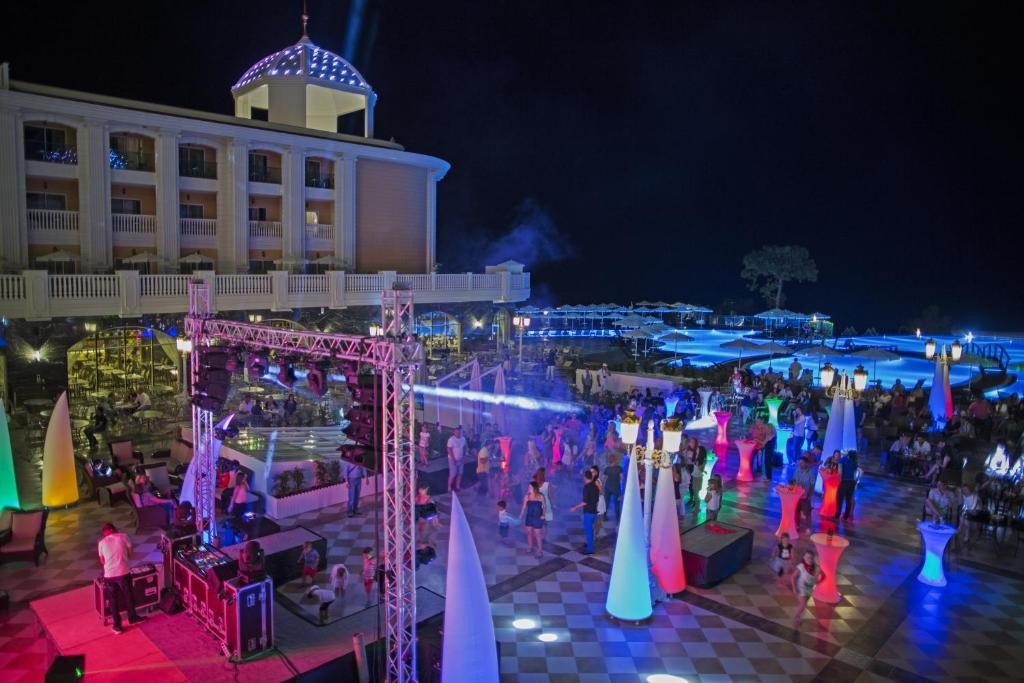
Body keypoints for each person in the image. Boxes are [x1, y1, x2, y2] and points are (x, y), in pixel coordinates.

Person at [97, 522, 144, 635]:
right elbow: (130, 554)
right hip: (123, 572)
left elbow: (102, 561)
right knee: (129, 596)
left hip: (109, 575)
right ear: (114, 529)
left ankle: (117, 626)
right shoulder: (124, 536)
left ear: (104, 533)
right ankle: (133, 617)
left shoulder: (101, 542)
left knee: (113, 601)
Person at [791, 550, 825, 628]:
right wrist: (794, 588)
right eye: (807, 557)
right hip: (801, 588)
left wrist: (818, 582)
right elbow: (793, 577)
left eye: (810, 558)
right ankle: (796, 618)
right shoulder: (801, 566)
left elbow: (823, 575)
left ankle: (798, 617)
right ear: (804, 557)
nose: (809, 559)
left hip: (810, 589)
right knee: (803, 604)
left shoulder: (816, 567)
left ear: (813, 558)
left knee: (803, 605)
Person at [570, 469, 601, 555]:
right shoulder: (595, 486)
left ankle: (590, 550)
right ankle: (589, 545)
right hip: (594, 511)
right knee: (591, 530)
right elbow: (597, 499)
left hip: (588, 512)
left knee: (588, 531)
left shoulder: (586, 487)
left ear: (585, 477)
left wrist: (575, 508)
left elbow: (585, 502)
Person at [520, 481, 546, 559]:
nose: (528, 489)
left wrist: (543, 515)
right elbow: (524, 507)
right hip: (529, 517)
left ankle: (540, 550)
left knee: (537, 534)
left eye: (530, 487)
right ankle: (530, 546)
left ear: (535, 488)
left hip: (538, 518)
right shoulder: (527, 496)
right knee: (528, 533)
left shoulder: (540, 496)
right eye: (528, 487)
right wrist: (520, 516)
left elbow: (544, 506)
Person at [793, 457, 816, 532]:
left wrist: (810, 495)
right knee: (796, 511)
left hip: (805, 495)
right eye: (800, 463)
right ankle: (797, 525)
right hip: (796, 495)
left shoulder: (811, 473)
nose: (800, 464)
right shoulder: (797, 471)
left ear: (806, 463)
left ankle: (807, 527)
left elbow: (812, 485)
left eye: (802, 463)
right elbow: (794, 481)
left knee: (807, 512)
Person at [837, 451, 858, 521]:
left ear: (847, 454)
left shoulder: (842, 460)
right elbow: (855, 473)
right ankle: (845, 517)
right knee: (848, 500)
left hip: (844, 481)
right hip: (852, 482)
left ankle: (837, 515)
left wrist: (839, 481)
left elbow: (840, 471)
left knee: (840, 499)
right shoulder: (855, 462)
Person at [447, 426, 467, 492]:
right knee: (453, 474)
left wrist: (464, 456)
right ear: (454, 432)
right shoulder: (451, 439)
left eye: (459, 432)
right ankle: (449, 488)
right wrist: (453, 459)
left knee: (460, 473)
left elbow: (464, 447)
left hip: (461, 459)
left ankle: (457, 487)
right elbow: (449, 449)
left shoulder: (463, 439)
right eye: (457, 432)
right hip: (452, 459)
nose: (458, 433)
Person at [603, 453, 622, 520]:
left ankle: (604, 517)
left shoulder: (607, 468)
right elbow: (621, 478)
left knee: (606, 503)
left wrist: (602, 487)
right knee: (616, 503)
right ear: (615, 460)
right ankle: (617, 518)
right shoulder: (619, 468)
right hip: (615, 487)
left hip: (607, 486)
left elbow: (604, 478)